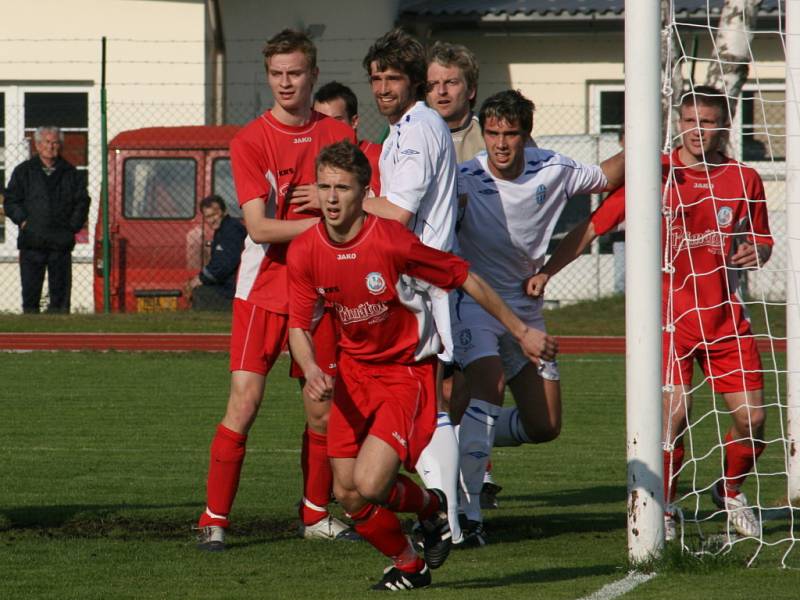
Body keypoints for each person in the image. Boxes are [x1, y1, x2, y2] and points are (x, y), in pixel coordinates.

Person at [287, 140, 558, 590]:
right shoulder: (306, 251)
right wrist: (313, 368)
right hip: (352, 376)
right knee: (346, 495)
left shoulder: (391, 241)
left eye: (343, 188)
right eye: (324, 187)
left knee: (370, 485)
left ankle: (431, 511)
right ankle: (411, 561)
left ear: (364, 191)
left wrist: (521, 331)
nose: (331, 198)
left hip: (403, 373)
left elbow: (465, 276)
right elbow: (298, 325)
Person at [527, 86, 772, 541]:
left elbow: (762, 241)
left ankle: (729, 490)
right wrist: (548, 271)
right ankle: (665, 506)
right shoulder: (653, 174)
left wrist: (753, 253)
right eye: (689, 120)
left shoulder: (744, 178)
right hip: (668, 321)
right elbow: (592, 226)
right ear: (677, 124)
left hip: (724, 319)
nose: (697, 130)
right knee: (673, 415)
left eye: (708, 121)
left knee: (754, 423)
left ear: (724, 126)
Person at [195, 29, 357, 551]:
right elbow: (261, 228)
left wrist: (336, 208)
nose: (286, 83)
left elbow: (359, 205)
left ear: (313, 75)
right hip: (262, 289)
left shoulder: (337, 133)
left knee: (321, 405)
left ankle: (314, 515)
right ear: (269, 76)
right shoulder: (250, 140)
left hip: (324, 292)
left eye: (295, 73)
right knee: (244, 401)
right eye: (277, 74)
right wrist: (324, 221)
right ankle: (214, 519)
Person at [454, 89, 624, 544]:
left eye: (511, 134)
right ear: (483, 134)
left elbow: (610, 176)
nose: (501, 144)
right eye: (492, 133)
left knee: (545, 425)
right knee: (487, 387)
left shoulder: (554, 168)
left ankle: (462, 439)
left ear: (527, 136)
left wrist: (655, 139)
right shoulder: (463, 180)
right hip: (475, 303)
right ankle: (465, 516)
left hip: (527, 310)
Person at [361, 28, 464, 546]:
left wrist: (339, 197)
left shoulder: (420, 127)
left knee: (429, 404)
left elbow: (398, 214)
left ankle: (451, 523)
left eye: (392, 77)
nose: (382, 87)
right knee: (421, 401)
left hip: (420, 286)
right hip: (407, 284)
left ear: (414, 82)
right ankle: (445, 516)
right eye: (376, 78)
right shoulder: (403, 128)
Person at [4, 126, 90, 313]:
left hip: (61, 240)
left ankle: (61, 331)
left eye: (55, 142)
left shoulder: (71, 173)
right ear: (37, 145)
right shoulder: (24, 171)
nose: (51, 147)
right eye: (47, 142)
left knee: (60, 294)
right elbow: (11, 201)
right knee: (31, 292)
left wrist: (72, 228)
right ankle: (30, 330)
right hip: (32, 239)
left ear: (61, 145)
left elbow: (82, 202)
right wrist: (23, 221)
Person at [312, 80, 382, 195]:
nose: (328, 129)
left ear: (354, 122)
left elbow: (395, 207)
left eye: (336, 121)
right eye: (321, 122)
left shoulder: (379, 157)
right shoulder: (311, 160)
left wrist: (324, 200)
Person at [185, 195, 246, 311]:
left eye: (215, 214)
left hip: (234, 288)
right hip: (228, 284)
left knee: (200, 292)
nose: (212, 219)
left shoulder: (232, 230)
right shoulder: (222, 230)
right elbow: (218, 263)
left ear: (223, 211)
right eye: (208, 216)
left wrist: (200, 279)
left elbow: (223, 265)